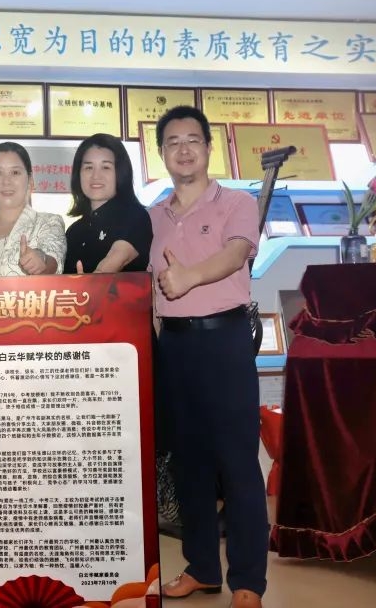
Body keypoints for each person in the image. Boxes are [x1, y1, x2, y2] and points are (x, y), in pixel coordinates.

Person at [149, 106, 267, 608]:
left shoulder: (236, 202)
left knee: (236, 462)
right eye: (173, 142)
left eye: (192, 140)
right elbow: (146, 287)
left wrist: (190, 277)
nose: (183, 149)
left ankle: (248, 580)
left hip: (224, 340)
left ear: (208, 148)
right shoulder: (153, 216)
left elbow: (236, 253)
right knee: (188, 465)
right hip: (173, 347)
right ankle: (201, 568)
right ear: (161, 153)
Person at [63, 133, 152, 274]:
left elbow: (116, 260)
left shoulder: (135, 217)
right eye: (88, 167)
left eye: (106, 167)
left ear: (120, 173)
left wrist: (85, 284)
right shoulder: (74, 231)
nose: (95, 176)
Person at [0, 142, 66, 276]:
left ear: (30, 180)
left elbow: (53, 261)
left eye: (15, 172)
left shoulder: (49, 223)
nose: (6, 181)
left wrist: (41, 259)